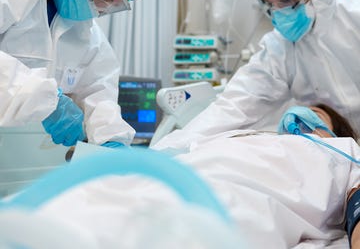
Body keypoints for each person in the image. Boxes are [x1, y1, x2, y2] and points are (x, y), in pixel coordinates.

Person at [2, 103, 360, 248]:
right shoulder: (243, 136)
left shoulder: (347, 152)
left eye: (314, 112)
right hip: (156, 185)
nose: (296, 116)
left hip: (217, 210)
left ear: (336, 127)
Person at [152, 0, 360, 151]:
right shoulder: (278, 49)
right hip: (337, 152)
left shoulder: (354, 15)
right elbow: (234, 106)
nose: (279, 12)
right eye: (270, 3)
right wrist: (168, 150)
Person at [0, 0, 168, 147]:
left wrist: (112, 139)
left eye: (112, 7)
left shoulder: (86, 35)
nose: (98, 10)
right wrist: (44, 100)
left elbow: (98, 91)